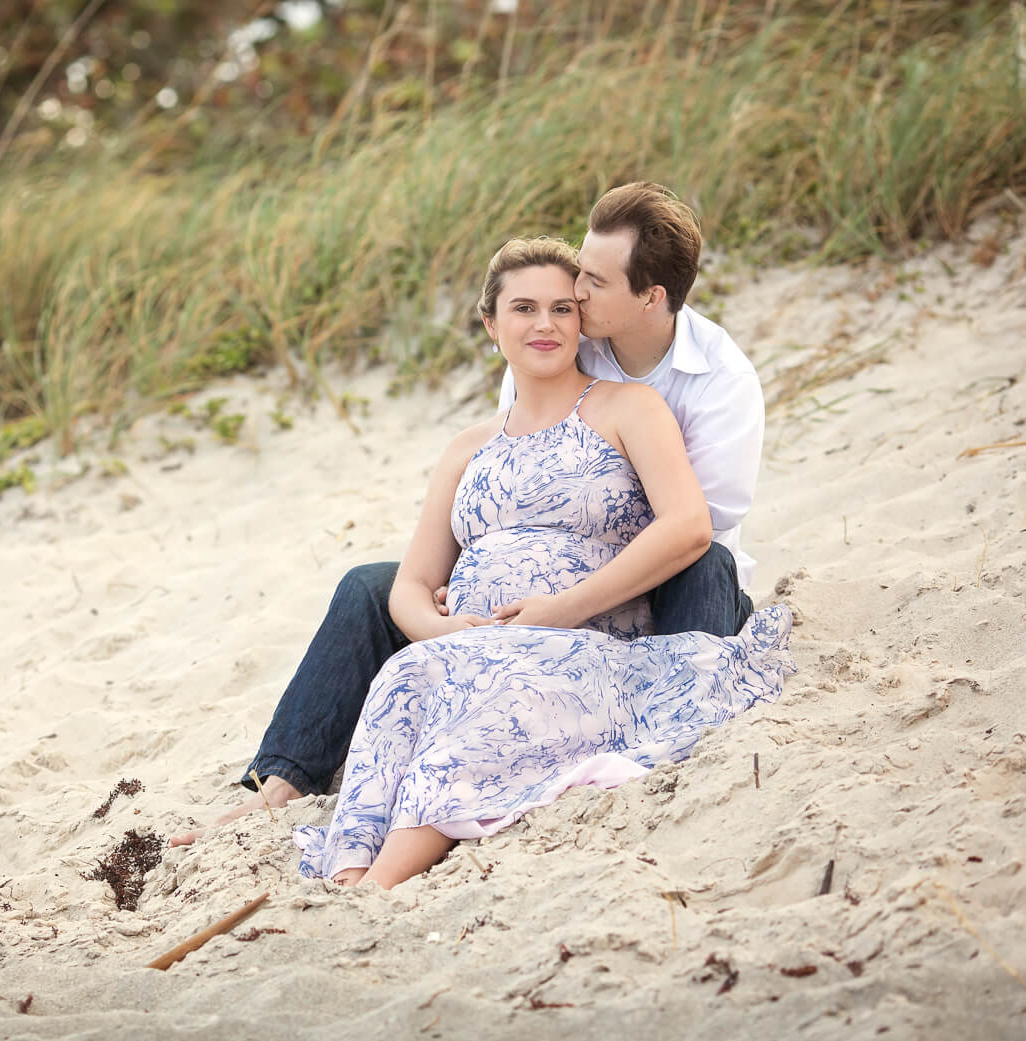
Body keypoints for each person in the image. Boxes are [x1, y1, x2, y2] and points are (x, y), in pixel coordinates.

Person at [170, 182, 766, 848]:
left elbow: (690, 526)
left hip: (667, 580)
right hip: (512, 614)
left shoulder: (717, 381)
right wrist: (475, 586)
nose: (572, 300)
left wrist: (561, 601)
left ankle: (664, 738)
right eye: (567, 287)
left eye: (591, 283)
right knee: (368, 587)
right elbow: (515, 474)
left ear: (650, 297)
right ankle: (278, 782)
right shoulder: (565, 343)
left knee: (705, 560)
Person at [286, 236, 792, 886]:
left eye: (561, 308)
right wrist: (443, 629)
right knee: (403, 681)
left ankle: (380, 884)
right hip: (465, 645)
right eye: (524, 308)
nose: (546, 323)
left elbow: (692, 525)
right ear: (492, 323)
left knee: (482, 719)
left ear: (582, 321)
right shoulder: (467, 447)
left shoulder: (631, 407)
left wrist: (551, 614)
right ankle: (347, 869)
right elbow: (413, 582)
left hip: (580, 645)